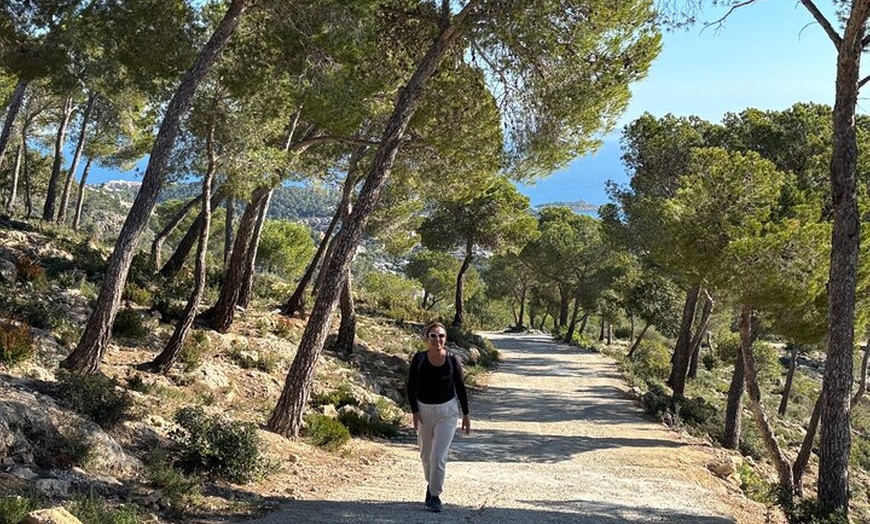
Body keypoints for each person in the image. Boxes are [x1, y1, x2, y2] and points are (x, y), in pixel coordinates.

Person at [406, 322, 471, 513]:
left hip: (447, 412)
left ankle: (435, 495)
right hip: (424, 411)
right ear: (426, 339)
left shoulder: (453, 360)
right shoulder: (419, 359)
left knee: (438, 456)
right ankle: (431, 484)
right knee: (426, 456)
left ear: (446, 339)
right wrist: (415, 412)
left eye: (441, 336)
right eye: (433, 336)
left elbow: (460, 386)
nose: (437, 339)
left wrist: (466, 414)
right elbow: (410, 387)